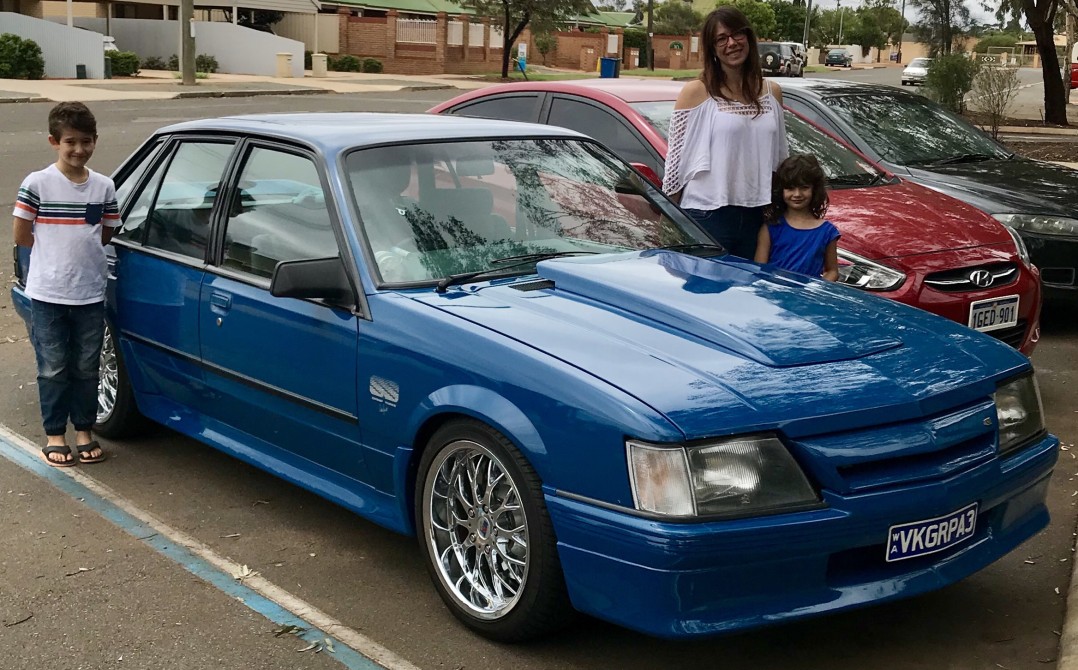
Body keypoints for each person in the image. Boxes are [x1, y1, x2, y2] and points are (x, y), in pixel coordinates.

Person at [12, 102, 121, 467]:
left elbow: (106, 231)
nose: (78, 149)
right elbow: (22, 234)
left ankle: (85, 431)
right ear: (54, 141)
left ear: (95, 142)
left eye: (86, 141)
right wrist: (55, 261)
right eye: (70, 141)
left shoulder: (103, 186)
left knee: (87, 366)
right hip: (48, 293)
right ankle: (55, 434)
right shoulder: (38, 183)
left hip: (90, 293)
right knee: (53, 366)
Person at [663, 5, 789, 260]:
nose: (731, 43)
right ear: (712, 49)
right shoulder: (696, 93)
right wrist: (668, 221)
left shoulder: (771, 92)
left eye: (737, 34)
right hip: (708, 216)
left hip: (757, 216)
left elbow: (779, 162)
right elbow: (675, 169)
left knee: (749, 297)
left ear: (749, 38)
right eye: (721, 39)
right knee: (706, 297)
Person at [754, 154, 840, 281]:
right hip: (772, 294)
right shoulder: (770, 227)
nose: (797, 194)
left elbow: (832, 271)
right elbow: (759, 268)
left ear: (814, 190)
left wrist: (816, 289)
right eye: (790, 188)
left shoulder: (827, 232)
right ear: (781, 191)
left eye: (804, 188)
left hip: (805, 298)